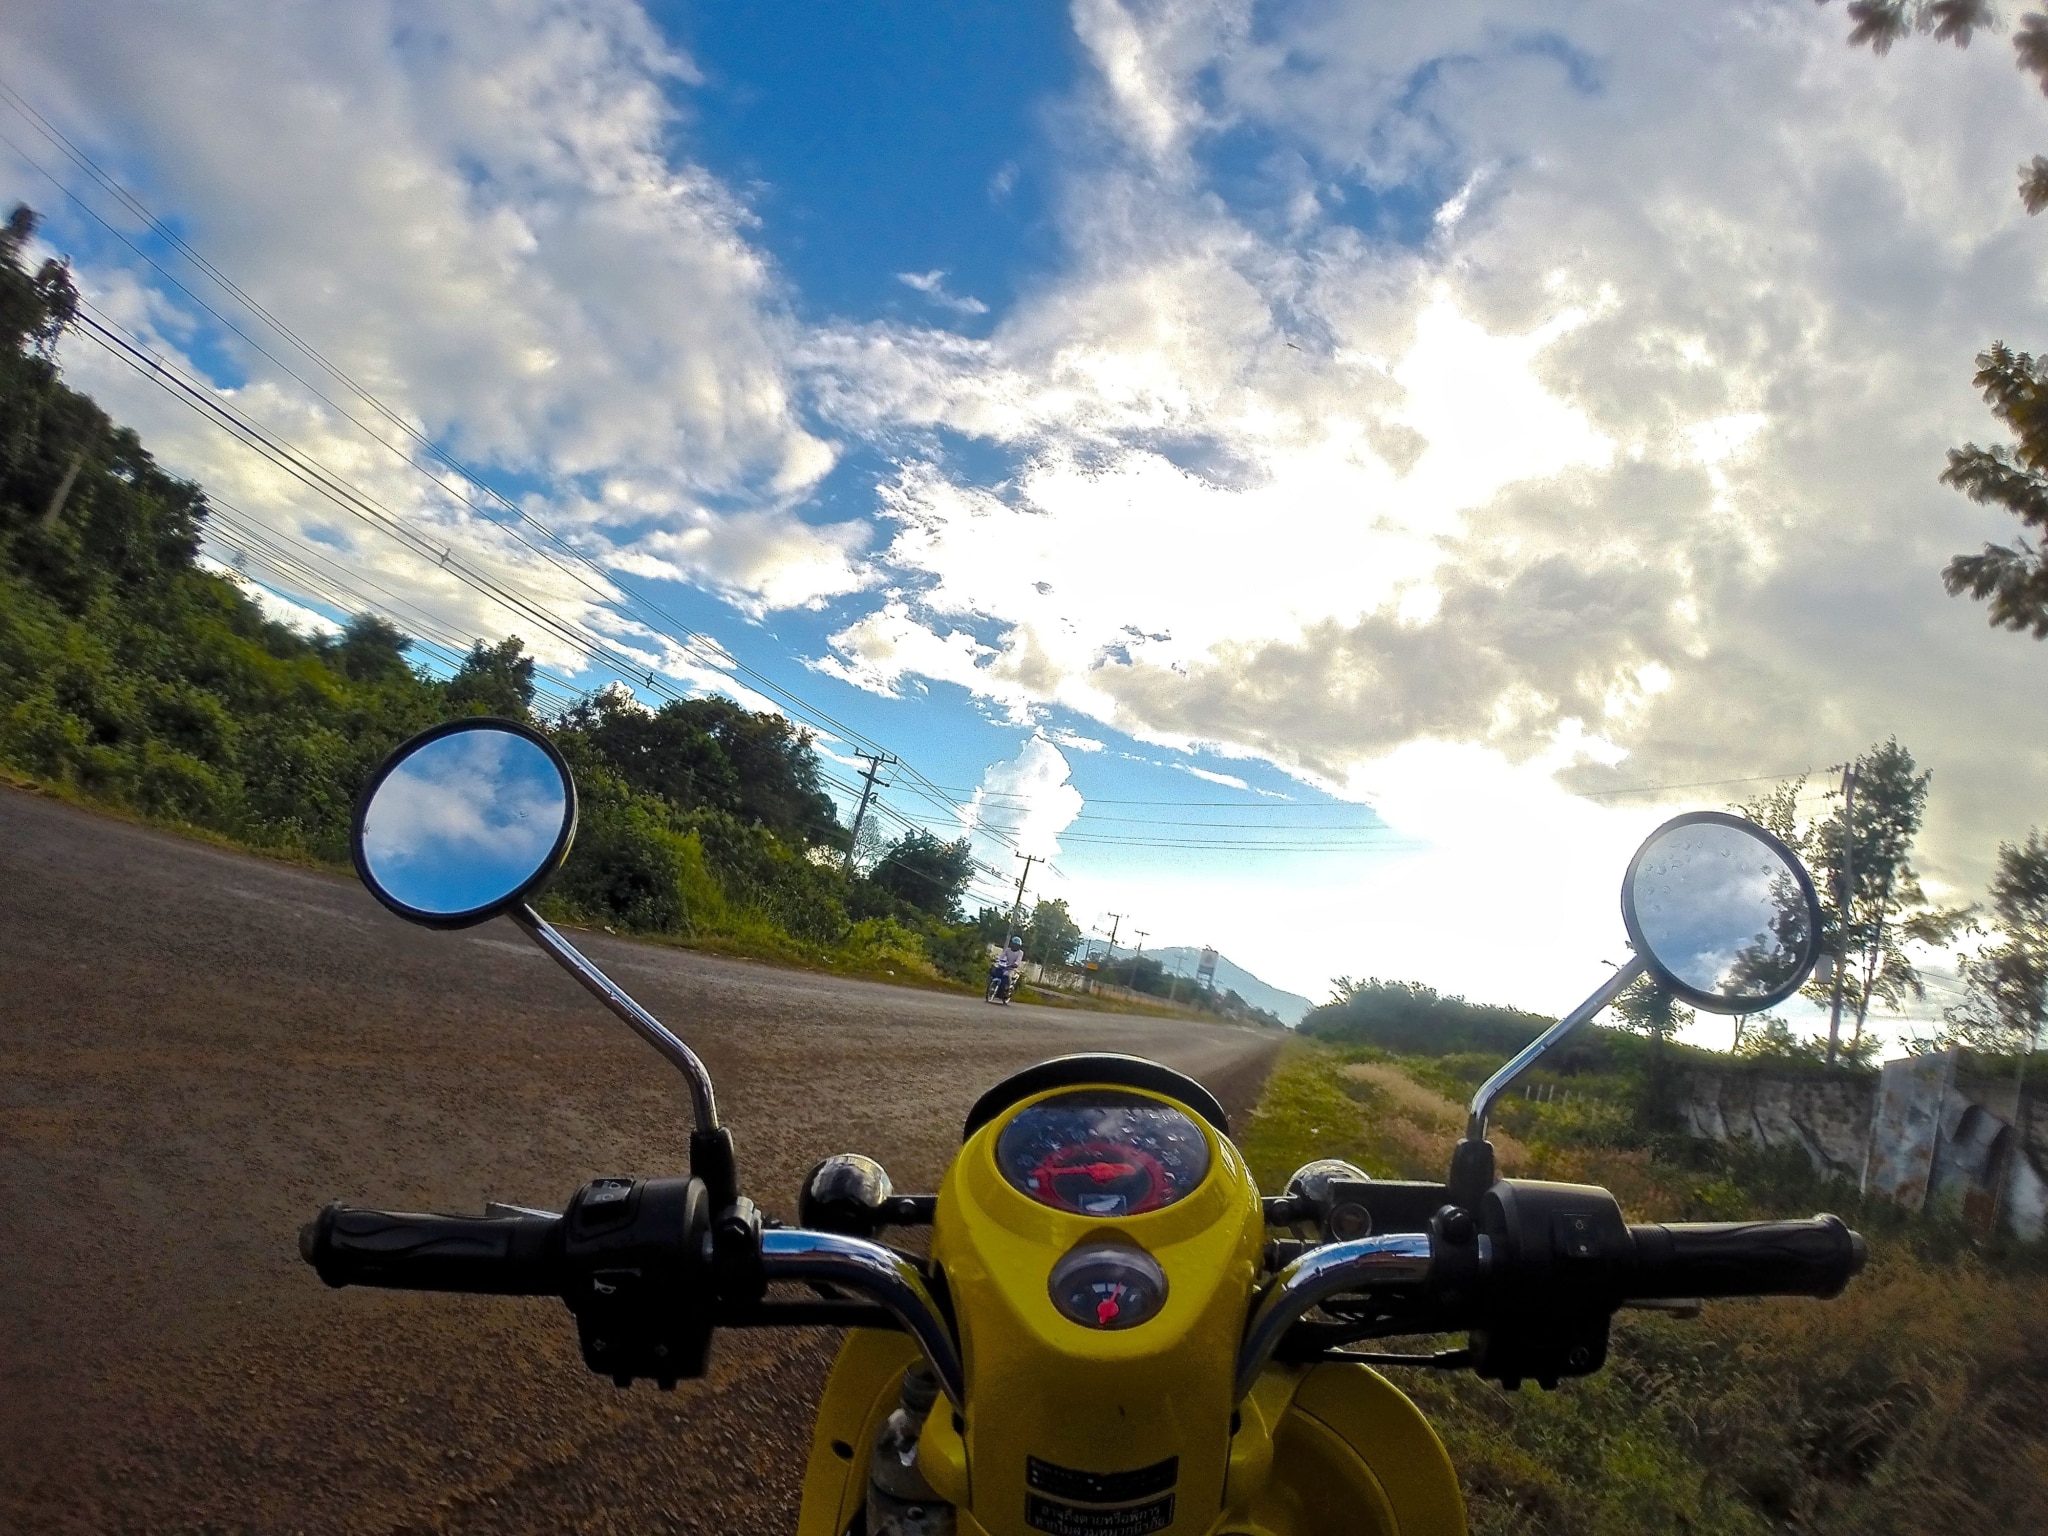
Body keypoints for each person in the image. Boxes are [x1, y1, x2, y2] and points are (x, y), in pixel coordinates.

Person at [988, 936, 1026, 1003]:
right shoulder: (1008, 950)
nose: (1014, 946)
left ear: (1018, 946)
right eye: (1013, 944)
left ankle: (1006, 990)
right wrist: (997, 959)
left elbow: (1018, 960)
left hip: (1012, 969)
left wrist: (1015, 964)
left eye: (1016, 945)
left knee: (1006, 975)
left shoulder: (1020, 952)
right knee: (995, 971)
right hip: (1004, 966)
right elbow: (1002, 956)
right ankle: (993, 987)